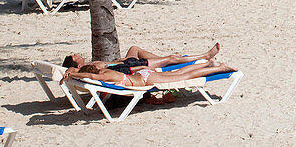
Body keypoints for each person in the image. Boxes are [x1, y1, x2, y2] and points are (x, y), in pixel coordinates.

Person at [63, 60, 233, 89]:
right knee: (180, 73)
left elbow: (91, 77)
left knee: (185, 77)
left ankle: (220, 68)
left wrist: (72, 75)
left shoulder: (102, 76)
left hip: (145, 79)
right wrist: (73, 74)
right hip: (145, 75)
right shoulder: (103, 70)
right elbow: (89, 73)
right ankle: (208, 64)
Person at [62, 43, 221, 72]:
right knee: (173, 58)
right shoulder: (86, 69)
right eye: (74, 56)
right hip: (129, 66)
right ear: (75, 63)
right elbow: (110, 68)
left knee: (134, 48)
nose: (77, 55)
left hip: (125, 63)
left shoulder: (88, 66)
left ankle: (162, 60)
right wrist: (121, 61)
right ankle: (205, 56)